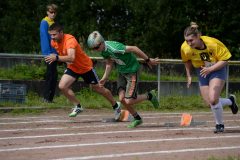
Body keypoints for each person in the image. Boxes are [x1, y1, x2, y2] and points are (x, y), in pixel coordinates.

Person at [44, 23, 121, 120]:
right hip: (73, 68)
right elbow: (67, 57)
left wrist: (56, 57)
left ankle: (115, 105)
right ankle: (78, 106)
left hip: (85, 67)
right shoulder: (53, 42)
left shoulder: (70, 40)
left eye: (54, 34)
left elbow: (71, 57)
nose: (52, 37)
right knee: (62, 86)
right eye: (51, 35)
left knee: (99, 89)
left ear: (61, 33)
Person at [87, 31, 160, 128]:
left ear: (103, 42)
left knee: (129, 100)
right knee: (122, 99)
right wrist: (104, 78)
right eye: (93, 48)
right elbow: (109, 64)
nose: (95, 50)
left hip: (132, 70)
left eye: (96, 47)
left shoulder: (115, 48)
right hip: (121, 71)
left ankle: (150, 96)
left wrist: (147, 60)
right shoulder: (102, 50)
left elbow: (134, 48)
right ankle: (137, 118)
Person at [181, 22, 238, 133]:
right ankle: (231, 101)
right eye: (186, 40)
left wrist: (210, 69)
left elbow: (225, 60)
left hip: (217, 68)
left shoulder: (212, 43)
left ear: (198, 37)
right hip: (201, 70)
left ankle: (219, 124)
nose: (188, 43)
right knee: (209, 103)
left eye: (191, 40)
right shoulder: (185, 47)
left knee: (213, 99)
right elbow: (186, 60)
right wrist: (188, 76)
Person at [40, 4, 58, 103]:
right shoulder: (45, 22)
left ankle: (49, 98)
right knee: (51, 75)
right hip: (49, 54)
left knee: (53, 75)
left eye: (55, 12)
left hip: (54, 54)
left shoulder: (53, 23)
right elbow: (44, 39)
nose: (53, 14)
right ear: (47, 12)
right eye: (51, 12)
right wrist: (48, 53)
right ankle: (47, 98)